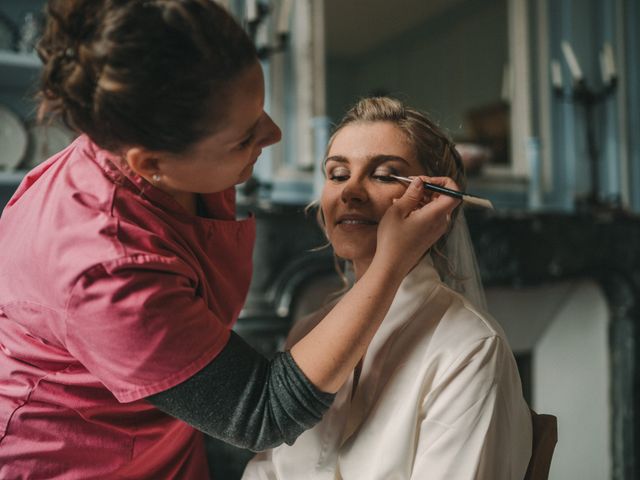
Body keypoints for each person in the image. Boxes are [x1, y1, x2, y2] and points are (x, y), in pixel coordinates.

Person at [0, 2, 460, 479]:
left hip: (165, 448)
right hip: (76, 464)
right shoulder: (103, 270)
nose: (273, 134)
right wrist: (391, 261)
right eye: (243, 139)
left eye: (260, 111)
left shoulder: (177, 151)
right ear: (151, 163)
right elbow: (261, 411)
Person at [243, 97, 533, 480]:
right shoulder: (309, 333)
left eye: (383, 175)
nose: (351, 192)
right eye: (337, 174)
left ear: (433, 201)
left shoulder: (469, 349)